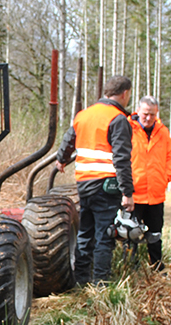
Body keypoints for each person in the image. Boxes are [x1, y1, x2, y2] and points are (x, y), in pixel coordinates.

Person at [56, 75, 135, 285]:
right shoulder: (117, 119)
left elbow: (68, 139)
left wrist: (61, 159)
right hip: (106, 185)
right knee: (105, 236)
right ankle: (101, 284)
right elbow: (122, 158)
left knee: (85, 232)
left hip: (84, 183)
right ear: (125, 94)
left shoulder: (84, 115)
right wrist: (128, 192)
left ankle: (81, 281)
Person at [128, 95, 171, 269]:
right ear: (138, 111)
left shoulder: (162, 131)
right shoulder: (128, 129)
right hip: (133, 194)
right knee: (131, 234)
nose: (148, 118)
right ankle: (130, 268)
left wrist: (167, 176)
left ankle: (156, 266)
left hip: (156, 193)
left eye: (152, 114)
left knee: (155, 233)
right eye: (145, 114)